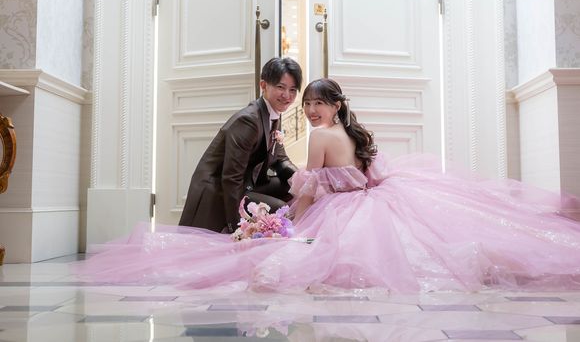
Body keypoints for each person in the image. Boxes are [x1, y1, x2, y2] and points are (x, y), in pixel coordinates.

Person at [81, 78, 580, 293]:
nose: (311, 110)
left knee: (312, 254)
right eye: (307, 104)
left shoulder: (321, 137)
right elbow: (371, 176)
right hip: (371, 201)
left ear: (335, 106)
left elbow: (307, 191)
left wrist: (289, 223)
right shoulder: (353, 133)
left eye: (318, 103)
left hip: (349, 208)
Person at [179, 57, 302, 233]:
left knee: (293, 188)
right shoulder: (249, 121)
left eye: (292, 90)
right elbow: (231, 178)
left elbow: (281, 160)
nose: (287, 96)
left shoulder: (273, 115)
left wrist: (306, 181)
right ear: (263, 85)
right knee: (282, 209)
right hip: (219, 190)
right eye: (281, 87)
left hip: (246, 184)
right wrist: (236, 226)